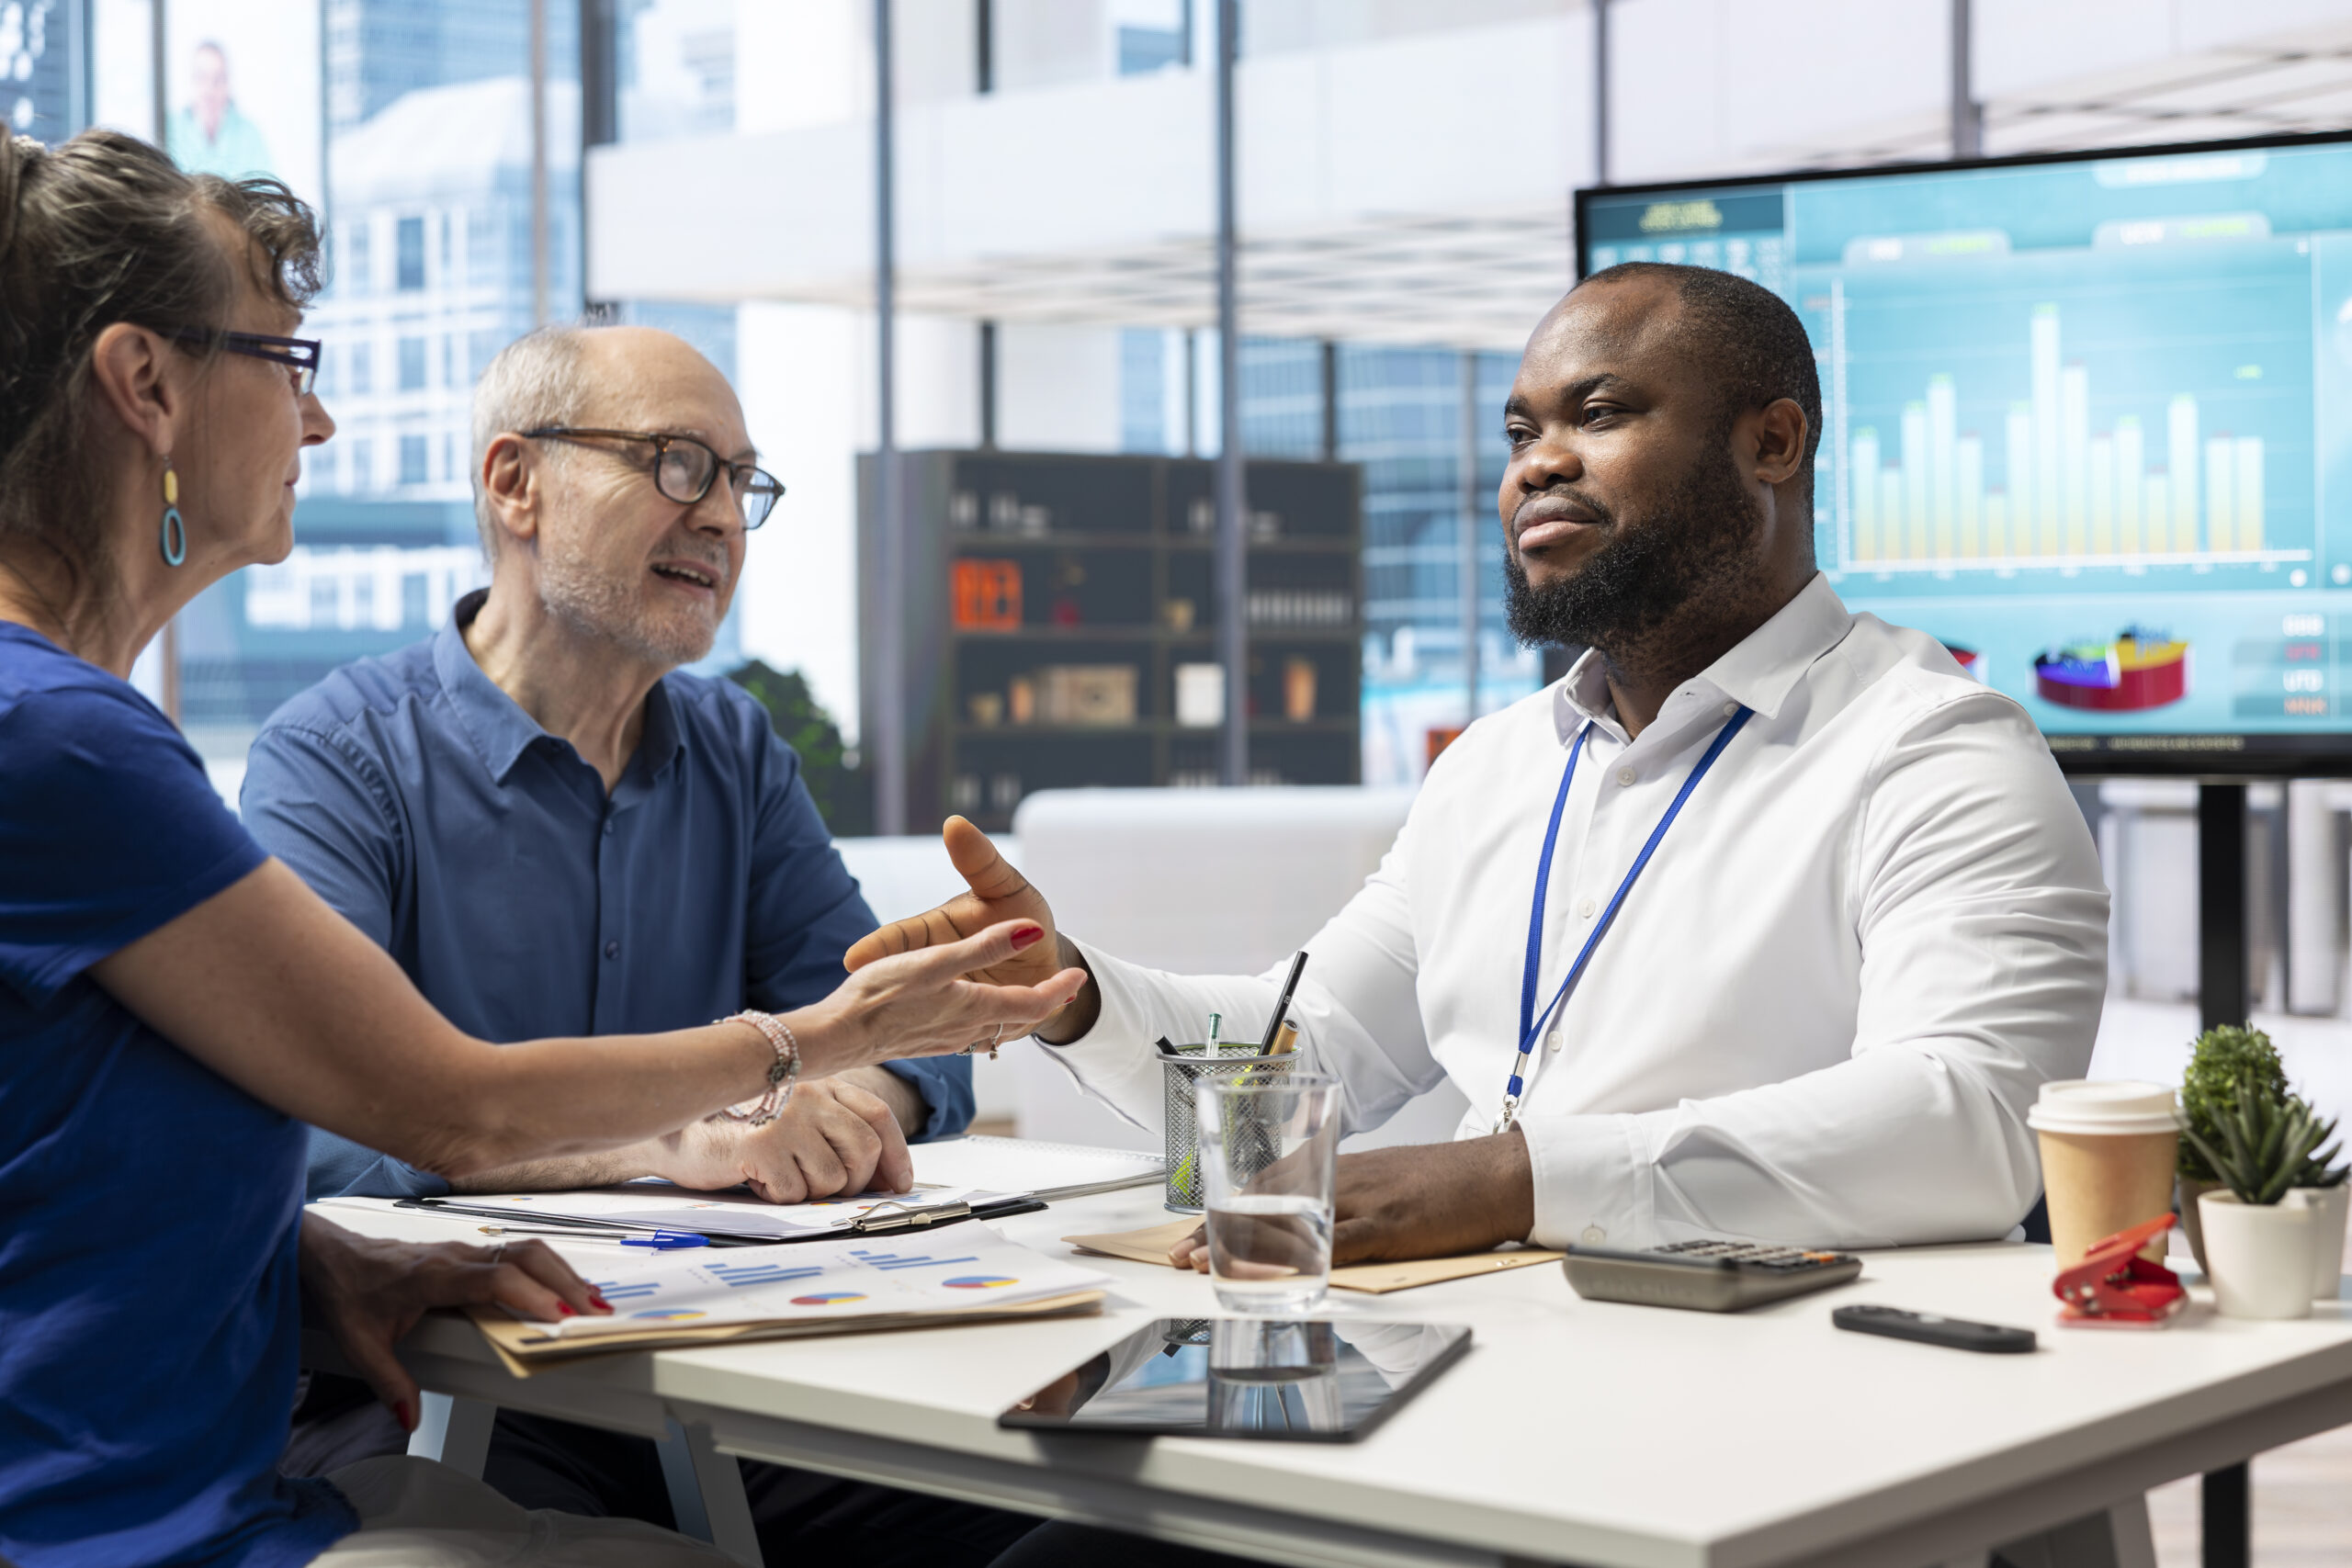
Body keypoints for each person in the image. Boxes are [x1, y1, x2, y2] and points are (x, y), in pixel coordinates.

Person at [0, 130, 1082, 1568]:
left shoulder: (69, 727)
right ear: (146, 385)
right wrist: (793, 1051)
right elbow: (430, 1109)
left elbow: (68, 1160)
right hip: (145, 1525)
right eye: (285, 359)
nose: (317, 425)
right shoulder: (79, 738)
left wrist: (303, 1272)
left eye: (739, 483)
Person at [851, 261, 2110, 1268]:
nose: (1535, 464)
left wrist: (1510, 1178)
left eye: (1600, 413)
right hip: (1472, 1351)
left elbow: (1977, 1120)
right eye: (1521, 429)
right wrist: (1071, 992)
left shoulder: (1936, 748)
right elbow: (1299, 1064)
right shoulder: (1500, 768)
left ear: (1772, 443)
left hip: (1759, 1398)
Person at [241, 323, 1021, 1562]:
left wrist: (845, 1106)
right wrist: (684, 1138)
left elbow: (910, 1036)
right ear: (515, 483)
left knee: (1077, 1501)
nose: (721, 515)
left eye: (739, 479)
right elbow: (324, 1128)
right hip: (453, 1384)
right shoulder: (335, 760)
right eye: (673, 462)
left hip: (724, 1365)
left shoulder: (737, 749)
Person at [167, 41, 273, 180]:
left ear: (228, 82)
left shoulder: (249, 133)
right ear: (191, 80)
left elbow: (268, 188)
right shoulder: (169, 129)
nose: (209, 89)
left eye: (218, 79)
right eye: (201, 77)